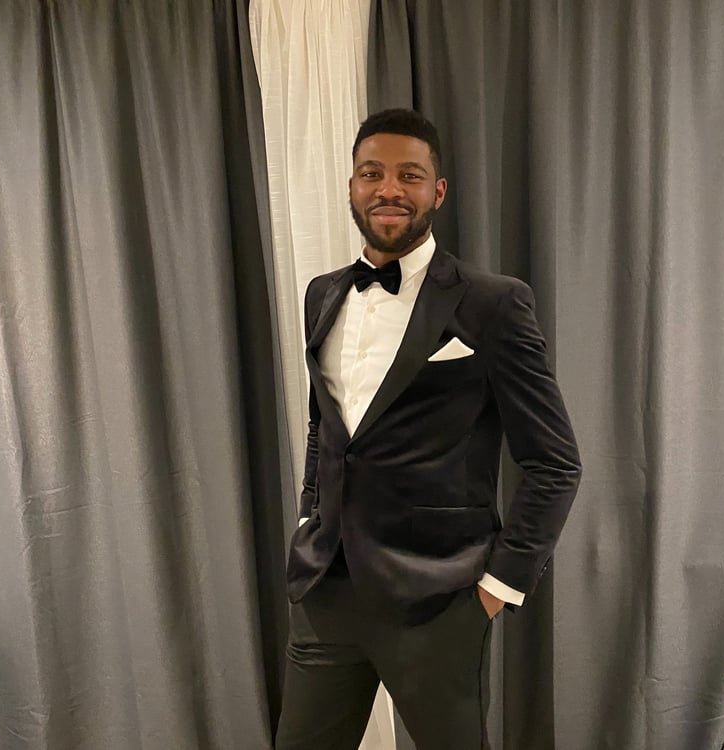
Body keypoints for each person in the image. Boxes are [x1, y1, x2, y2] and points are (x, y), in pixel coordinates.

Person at [276, 108, 581, 750]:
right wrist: (310, 515)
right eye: (372, 173)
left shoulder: (493, 302)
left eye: (409, 175)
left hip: (439, 602)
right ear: (352, 186)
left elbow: (554, 463)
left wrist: (498, 587)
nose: (389, 188)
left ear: (437, 192)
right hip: (326, 591)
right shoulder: (321, 295)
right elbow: (326, 425)